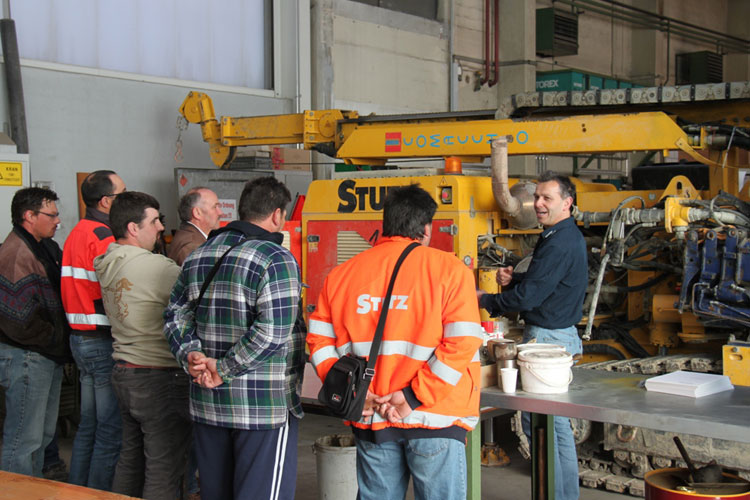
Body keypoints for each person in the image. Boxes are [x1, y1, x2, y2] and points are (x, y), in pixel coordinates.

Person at [307, 184, 483, 500]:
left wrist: (358, 394)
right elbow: (463, 341)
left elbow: (318, 341)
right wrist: (412, 397)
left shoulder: (342, 274)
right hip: (435, 416)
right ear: (426, 228)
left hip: (372, 417)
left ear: (385, 224)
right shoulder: (451, 270)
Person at [164, 176, 305, 500]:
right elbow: (272, 333)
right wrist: (222, 369)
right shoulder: (275, 257)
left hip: (208, 405)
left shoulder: (199, 255)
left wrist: (191, 355)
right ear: (278, 215)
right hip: (262, 408)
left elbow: (174, 315)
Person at [478, 171, 587, 500]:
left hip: (548, 340)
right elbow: (540, 288)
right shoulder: (555, 236)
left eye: (546, 198)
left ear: (567, 203)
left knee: (542, 429)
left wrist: (487, 300)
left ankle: (556, 495)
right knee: (555, 430)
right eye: (537, 197)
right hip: (553, 334)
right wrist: (513, 283)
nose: (537, 204)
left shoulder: (560, 242)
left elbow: (531, 298)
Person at [94, 192, 191, 499]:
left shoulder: (107, 261)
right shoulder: (157, 268)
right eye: (154, 221)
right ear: (133, 228)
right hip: (159, 377)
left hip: (125, 372)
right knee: (165, 467)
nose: (161, 228)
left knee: (131, 462)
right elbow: (198, 300)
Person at [62, 170, 126, 490]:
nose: (125, 201)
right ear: (105, 201)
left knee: (88, 425)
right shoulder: (103, 236)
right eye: (121, 195)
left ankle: (77, 490)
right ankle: (98, 493)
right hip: (100, 341)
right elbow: (114, 289)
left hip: (80, 338)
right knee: (109, 429)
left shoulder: (77, 232)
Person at [0, 187, 70, 477]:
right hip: (28, 357)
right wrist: (57, 338)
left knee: (40, 437)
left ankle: (34, 490)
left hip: (45, 356)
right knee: (23, 441)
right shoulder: (17, 253)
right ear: (28, 216)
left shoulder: (44, 246)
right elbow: (19, 321)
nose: (58, 221)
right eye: (51, 215)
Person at [168, 187, 223, 266]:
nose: (220, 212)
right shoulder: (192, 247)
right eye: (215, 207)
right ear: (197, 213)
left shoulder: (190, 238)